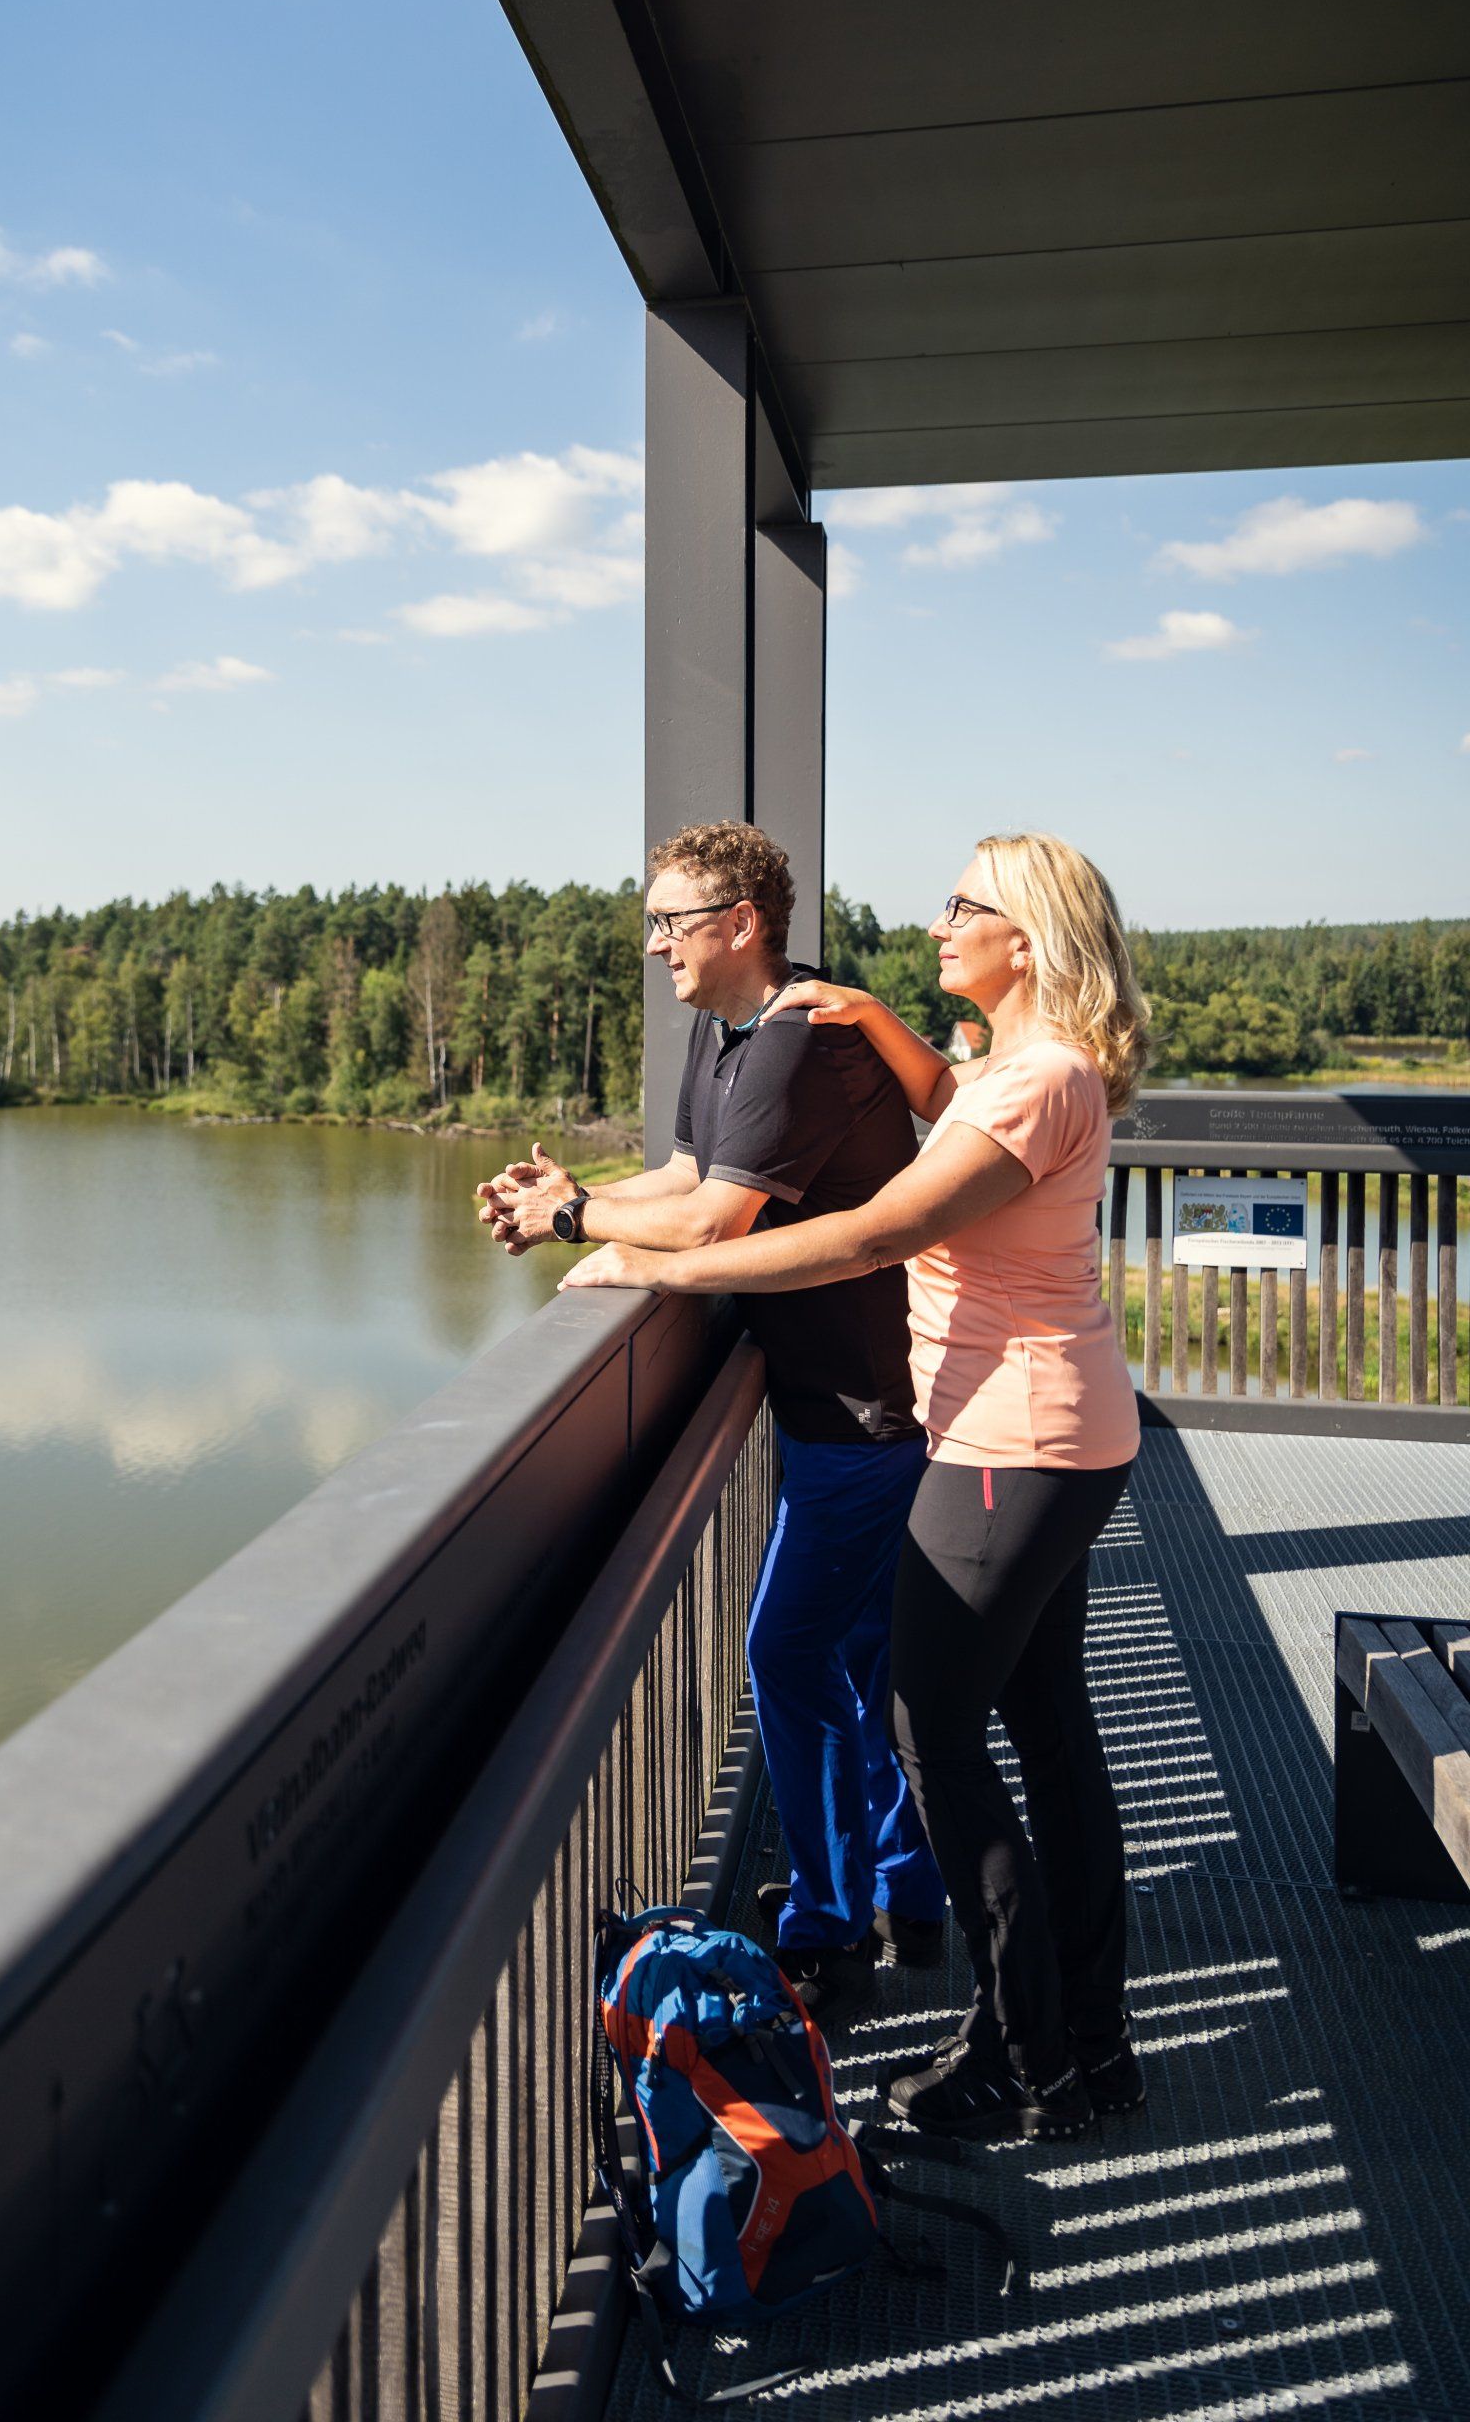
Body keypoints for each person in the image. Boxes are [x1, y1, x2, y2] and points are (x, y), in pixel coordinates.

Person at [561, 831, 1149, 2143]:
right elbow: (942, 1115)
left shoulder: (1035, 1079)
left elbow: (876, 1230)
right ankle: (1090, 2050)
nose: (938, 922)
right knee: (1050, 1745)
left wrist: (663, 1267)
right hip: (1050, 1438)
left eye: (963, 907)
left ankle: (1024, 2057)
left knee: (931, 1733)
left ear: (1027, 941)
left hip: (1010, 1448)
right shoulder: (1025, 1072)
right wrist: (881, 1016)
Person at [478, 820, 945, 2018]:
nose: (655, 945)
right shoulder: (727, 1028)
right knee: (848, 1654)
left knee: (789, 1652)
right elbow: (684, 1182)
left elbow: (713, 1230)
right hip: (833, 1399)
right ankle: (910, 1889)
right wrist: (571, 1202)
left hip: (870, 1409)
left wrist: (591, 1226)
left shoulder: (796, 1043)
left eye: (672, 922)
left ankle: (833, 1923)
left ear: (740, 923)